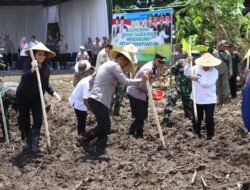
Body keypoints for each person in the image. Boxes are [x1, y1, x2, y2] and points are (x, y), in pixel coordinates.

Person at [77, 50, 148, 156]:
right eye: (125, 63)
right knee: (104, 126)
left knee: (105, 126)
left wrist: (94, 92)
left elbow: (91, 81)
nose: (124, 66)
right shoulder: (115, 66)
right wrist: (140, 80)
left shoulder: (104, 66)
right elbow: (125, 82)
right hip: (99, 99)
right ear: (121, 60)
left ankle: (99, 149)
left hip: (97, 99)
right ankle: (85, 138)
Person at [16, 42, 62, 153]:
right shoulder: (28, 63)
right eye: (39, 54)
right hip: (23, 96)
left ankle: (34, 145)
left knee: (38, 120)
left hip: (36, 97)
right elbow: (24, 77)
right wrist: (32, 69)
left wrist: (53, 92)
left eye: (43, 55)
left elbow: (45, 84)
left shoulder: (46, 68)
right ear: (35, 55)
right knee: (25, 120)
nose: (41, 56)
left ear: (46, 56)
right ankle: (29, 142)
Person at [127, 52, 166, 138]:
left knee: (143, 115)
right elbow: (143, 85)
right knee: (140, 115)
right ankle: (131, 132)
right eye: (160, 62)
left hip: (142, 93)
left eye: (162, 63)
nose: (161, 64)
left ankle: (139, 133)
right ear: (155, 60)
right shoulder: (148, 69)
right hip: (135, 92)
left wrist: (151, 91)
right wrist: (150, 92)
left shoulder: (154, 67)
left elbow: (149, 84)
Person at [184, 53, 221, 140]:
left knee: (209, 119)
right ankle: (197, 134)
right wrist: (188, 63)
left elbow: (207, 84)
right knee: (197, 118)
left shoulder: (215, 72)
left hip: (209, 99)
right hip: (197, 98)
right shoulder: (196, 68)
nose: (206, 66)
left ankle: (210, 135)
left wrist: (197, 79)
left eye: (208, 65)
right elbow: (186, 73)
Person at [162, 51, 200, 126]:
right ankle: (166, 118)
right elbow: (172, 69)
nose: (194, 59)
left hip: (189, 89)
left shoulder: (198, 66)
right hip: (178, 85)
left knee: (188, 106)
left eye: (196, 58)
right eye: (193, 57)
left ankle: (189, 122)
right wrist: (164, 75)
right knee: (171, 98)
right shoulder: (181, 62)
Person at [69, 67, 96, 136]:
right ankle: (81, 135)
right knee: (81, 119)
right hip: (78, 102)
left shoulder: (92, 79)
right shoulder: (87, 83)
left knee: (83, 118)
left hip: (82, 100)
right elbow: (85, 101)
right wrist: (93, 111)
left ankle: (82, 133)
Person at [213, 40, 232, 105]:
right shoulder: (215, 53)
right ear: (220, 46)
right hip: (216, 72)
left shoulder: (228, 53)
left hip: (225, 71)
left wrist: (230, 73)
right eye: (224, 46)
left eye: (226, 46)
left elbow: (230, 63)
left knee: (225, 85)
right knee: (217, 85)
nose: (226, 47)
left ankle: (226, 99)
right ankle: (219, 99)